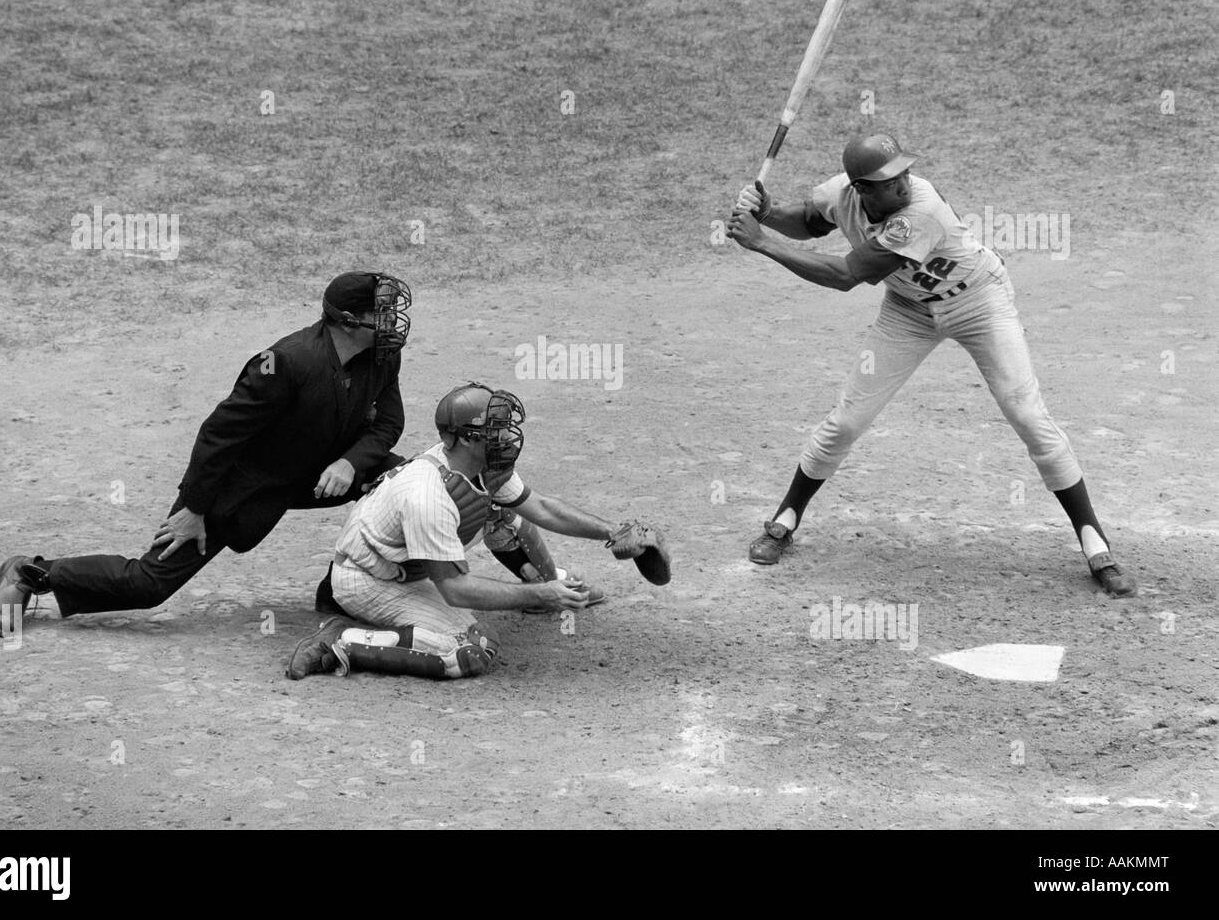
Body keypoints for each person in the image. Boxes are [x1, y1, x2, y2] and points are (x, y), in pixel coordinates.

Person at [727, 133, 1132, 597]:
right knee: (846, 422)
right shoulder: (840, 193)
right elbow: (808, 221)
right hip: (908, 311)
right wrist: (767, 213)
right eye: (887, 180)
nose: (902, 183)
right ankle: (785, 519)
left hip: (979, 302)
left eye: (902, 172)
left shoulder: (920, 210)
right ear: (860, 188)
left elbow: (845, 277)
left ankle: (1093, 539)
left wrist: (763, 243)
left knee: (1027, 414)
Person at [0, 271, 415, 634]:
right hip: (241, 487)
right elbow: (218, 435)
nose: (392, 322)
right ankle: (29, 573)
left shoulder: (380, 357)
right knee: (148, 585)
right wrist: (193, 509)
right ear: (347, 320)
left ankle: (339, 594)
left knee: (406, 486)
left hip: (316, 473)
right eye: (381, 313)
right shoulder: (285, 363)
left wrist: (351, 462)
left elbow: (388, 424)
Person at [286, 382, 639, 681]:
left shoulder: (481, 466)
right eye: (495, 431)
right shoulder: (427, 495)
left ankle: (549, 585)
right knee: (471, 649)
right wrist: (543, 595)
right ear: (467, 439)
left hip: (403, 567)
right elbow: (455, 589)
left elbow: (542, 508)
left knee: (502, 513)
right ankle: (340, 641)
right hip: (366, 580)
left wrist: (613, 531)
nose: (506, 437)